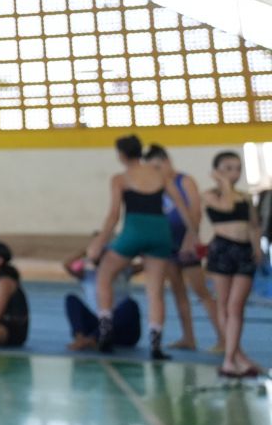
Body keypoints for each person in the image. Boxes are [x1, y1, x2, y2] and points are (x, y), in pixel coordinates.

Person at [90, 135, 190, 359]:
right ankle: (155, 345)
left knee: (104, 275)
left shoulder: (121, 178)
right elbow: (181, 205)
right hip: (160, 230)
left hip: (134, 228)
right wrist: (192, 233)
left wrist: (99, 242)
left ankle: (106, 332)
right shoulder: (160, 174)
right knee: (155, 291)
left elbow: (114, 215)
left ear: (121, 155)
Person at [145, 144, 219, 351]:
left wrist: (190, 238)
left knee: (201, 292)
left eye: (158, 167)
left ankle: (222, 337)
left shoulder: (184, 181)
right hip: (167, 244)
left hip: (187, 244)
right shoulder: (156, 184)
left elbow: (195, 212)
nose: (156, 172)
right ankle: (189, 338)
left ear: (167, 161)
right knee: (178, 293)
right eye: (152, 169)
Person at [201, 150, 264, 378]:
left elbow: (253, 224)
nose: (234, 173)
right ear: (217, 171)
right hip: (222, 250)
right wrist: (224, 183)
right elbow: (226, 207)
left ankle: (235, 355)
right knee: (224, 305)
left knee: (236, 307)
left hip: (244, 251)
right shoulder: (210, 195)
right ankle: (231, 358)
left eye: (238, 168)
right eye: (228, 168)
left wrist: (257, 248)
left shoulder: (245, 196)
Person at [64, 236, 140, 350]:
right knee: (71, 299)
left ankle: (92, 339)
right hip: (97, 325)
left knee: (131, 305)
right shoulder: (88, 274)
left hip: (121, 332)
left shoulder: (123, 271)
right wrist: (88, 250)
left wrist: (123, 251)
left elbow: (146, 264)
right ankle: (81, 338)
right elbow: (67, 264)